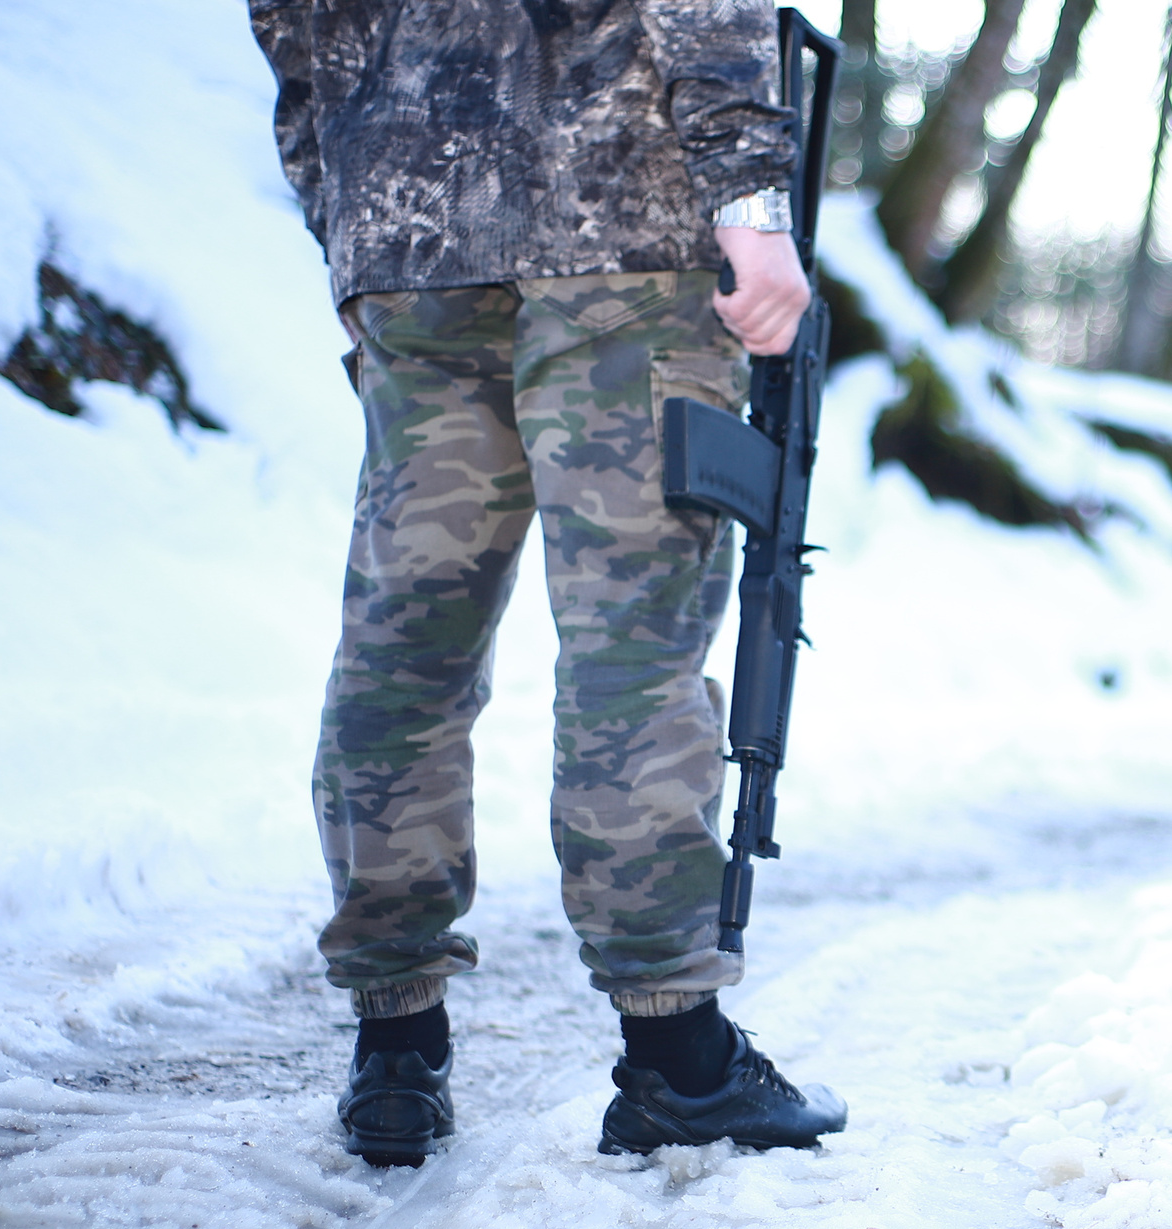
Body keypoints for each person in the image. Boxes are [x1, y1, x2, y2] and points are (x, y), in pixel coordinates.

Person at [250, 0, 847, 1166]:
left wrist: (356, 203)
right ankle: (677, 1057)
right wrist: (751, 198)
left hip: (410, 227)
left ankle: (395, 1048)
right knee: (631, 645)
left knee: (404, 641)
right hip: (618, 214)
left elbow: (288, 25)